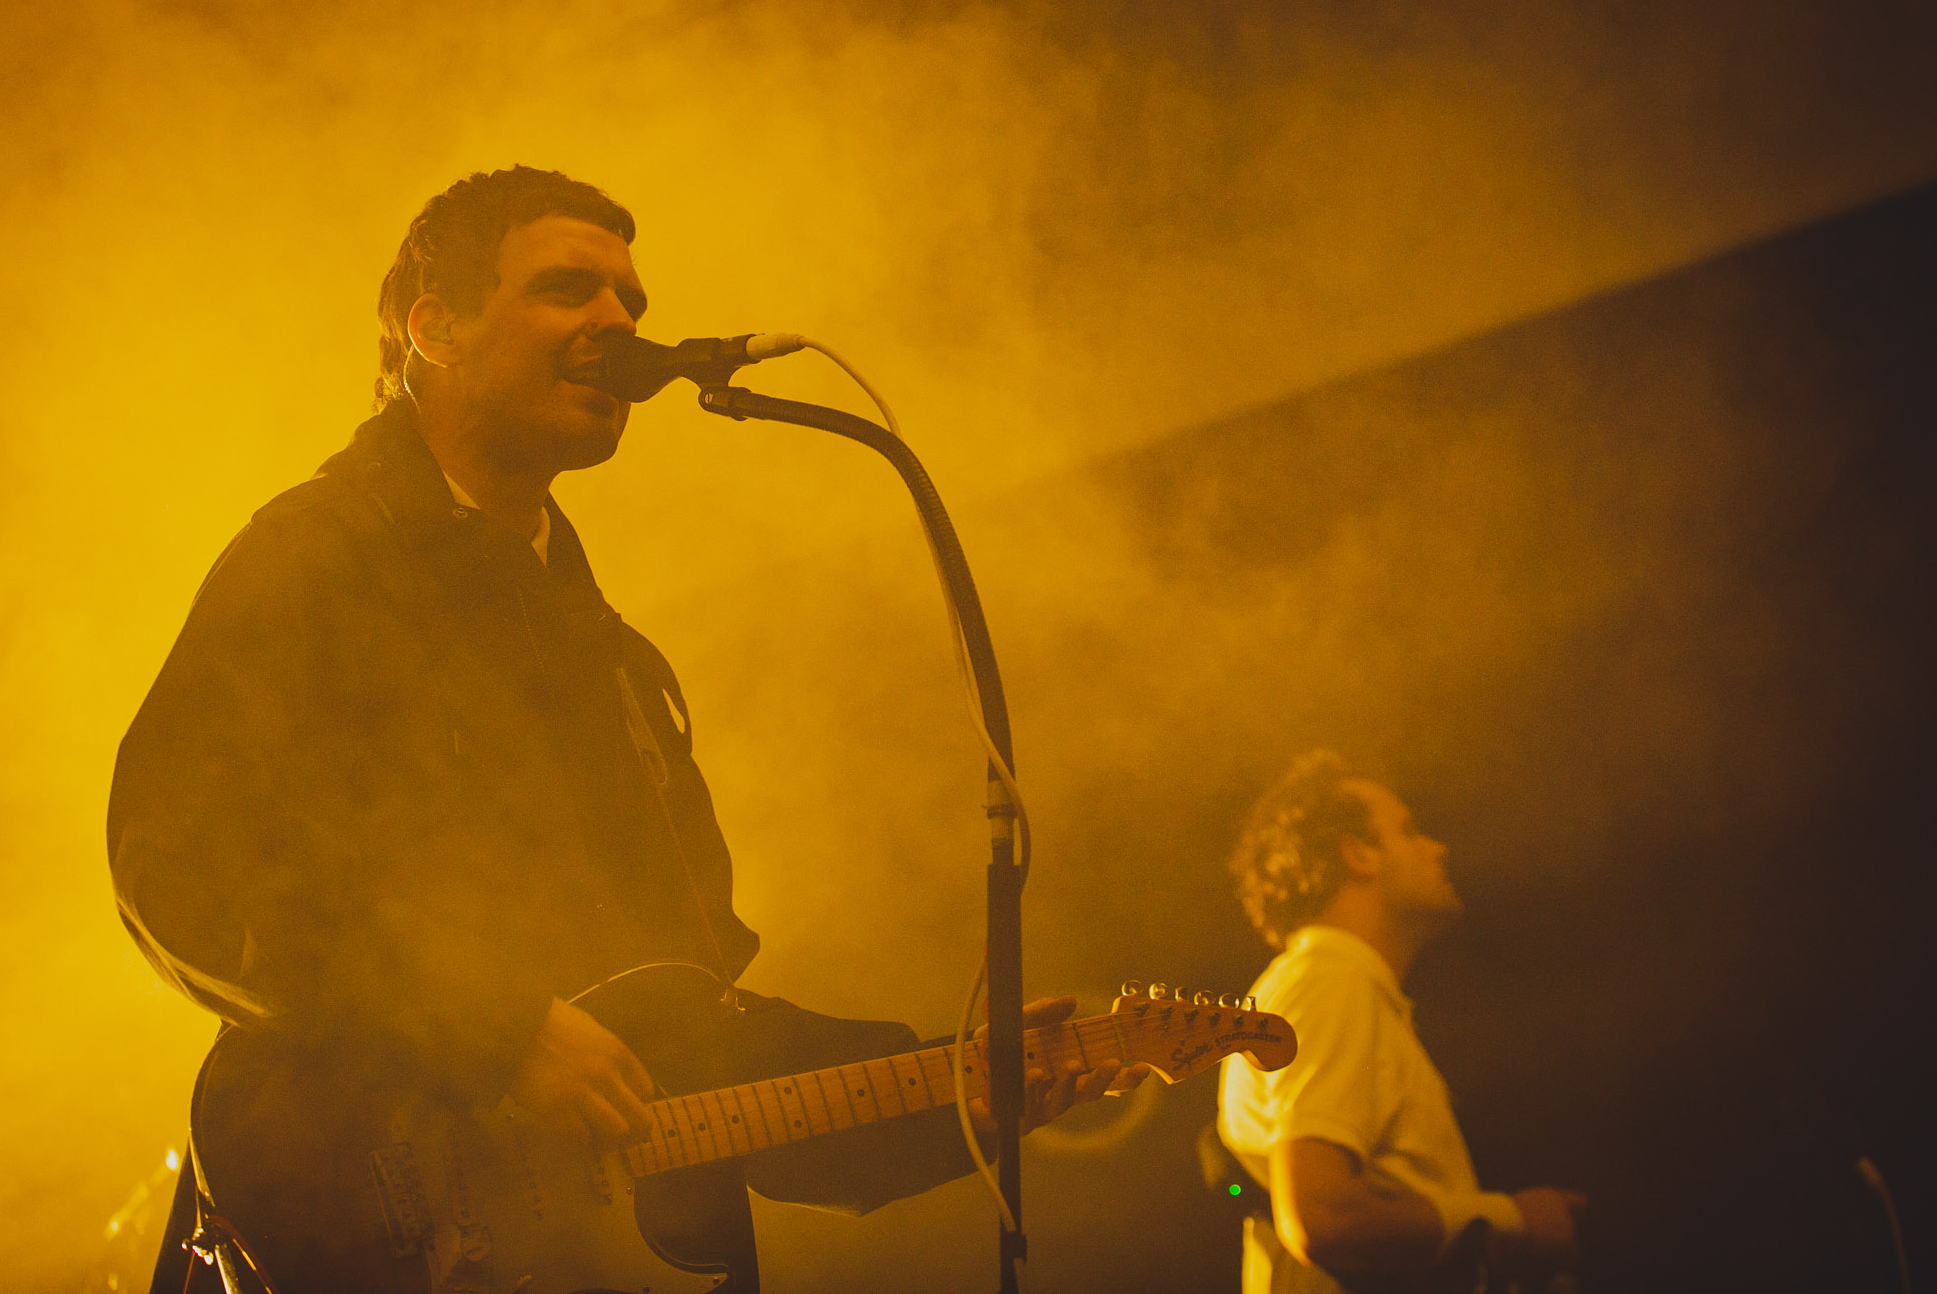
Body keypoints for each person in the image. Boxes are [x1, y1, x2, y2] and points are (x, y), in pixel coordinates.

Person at [108, 166, 1126, 1292]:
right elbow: (179, 866)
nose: (619, 321)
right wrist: (492, 1034)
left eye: (631, 301)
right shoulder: (316, 560)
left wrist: (951, 1092)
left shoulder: (607, 653)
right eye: (567, 289)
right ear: (435, 329)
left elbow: (693, 1042)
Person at [1217, 750, 1585, 1294]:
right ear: (1359, 855)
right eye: (1410, 832)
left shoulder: (1329, 986)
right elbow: (1322, 1217)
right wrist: (1511, 1219)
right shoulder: (1331, 982)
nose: (1437, 847)